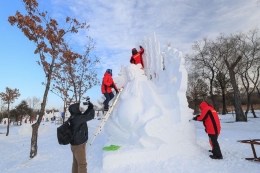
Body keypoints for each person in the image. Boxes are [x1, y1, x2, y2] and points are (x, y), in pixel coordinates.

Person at [69, 102, 95, 173]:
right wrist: (92, 109)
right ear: (75, 110)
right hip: (79, 146)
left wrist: (89, 108)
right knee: (82, 165)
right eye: (78, 108)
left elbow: (84, 116)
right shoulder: (77, 118)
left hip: (74, 145)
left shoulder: (74, 117)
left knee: (76, 163)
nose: (80, 108)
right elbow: (90, 116)